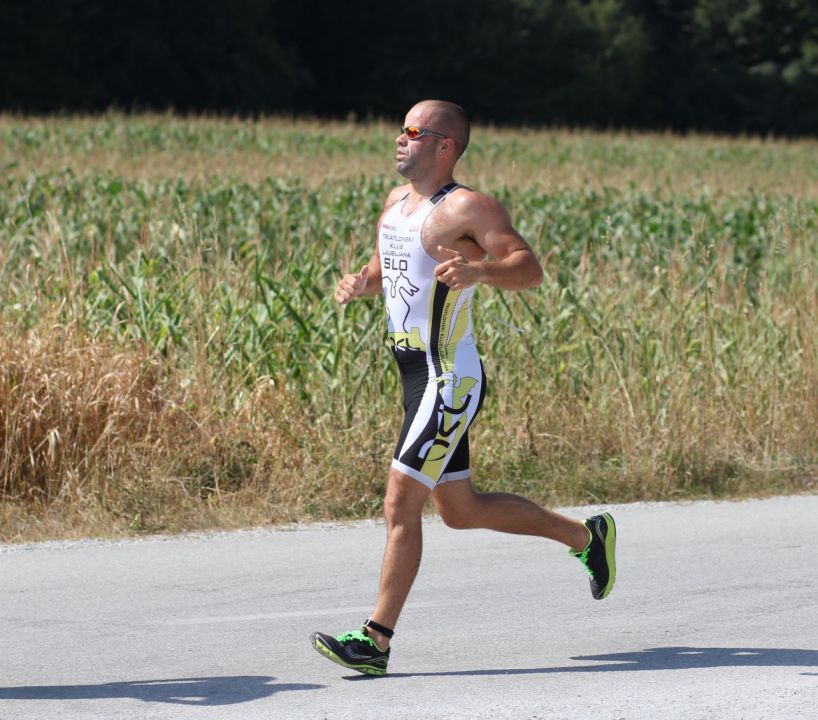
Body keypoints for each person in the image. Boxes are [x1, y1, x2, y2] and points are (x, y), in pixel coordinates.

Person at [311, 100, 616, 676]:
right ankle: (585, 537)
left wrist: (482, 272)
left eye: (413, 132)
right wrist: (361, 283)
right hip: (411, 374)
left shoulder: (471, 207)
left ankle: (374, 642)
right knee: (461, 509)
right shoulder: (396, 204)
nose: (399, 139)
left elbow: (528, 267)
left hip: (449, 378)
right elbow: (387, 268)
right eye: (401, 129)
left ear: (444, 145)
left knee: (401, 501)